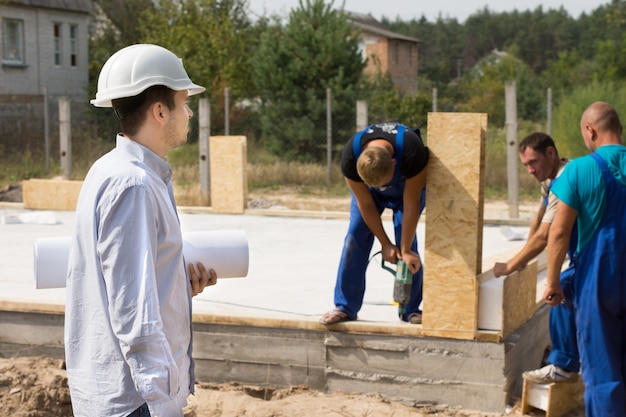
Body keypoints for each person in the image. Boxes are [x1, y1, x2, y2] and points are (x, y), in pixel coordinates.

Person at [65, 44, 216, 417]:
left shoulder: (114, 170)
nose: (190, 111)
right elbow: (134, 312)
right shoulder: (133, 185)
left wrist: (177, 282)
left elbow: (124, 283)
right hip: (136, 400)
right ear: (160, 111)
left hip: (127, 394)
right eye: (183, 102)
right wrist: (164, 406)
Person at [544, 101, 626, 416]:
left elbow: (559, 233)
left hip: (597, 282)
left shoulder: (579, 169)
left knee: (603, 372)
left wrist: (553, 281)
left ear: (589, 131)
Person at [320, 121, 428, 325]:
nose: (381, 188)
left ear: (393, 164)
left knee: (407, 244)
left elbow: (411, 204)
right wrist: (385, 244)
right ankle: (344, 307)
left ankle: (411, 309)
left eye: (383, 183)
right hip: (369, 197)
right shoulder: (350, 158)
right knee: (355, 236)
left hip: (405, 191)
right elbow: (366, 205)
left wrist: (403, 248)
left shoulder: (412, 152)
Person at [493, 132, 579, 383]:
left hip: (593, 249)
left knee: (562, 286)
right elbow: (540, 219)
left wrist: (511, 265)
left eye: (533, 163)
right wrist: (522, 255)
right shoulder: (550, 181)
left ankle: (563, 365)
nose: (530, 170)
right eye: (525, 165)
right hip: (584, 249)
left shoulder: (566, 177)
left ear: (551, 154)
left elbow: (546, 235)